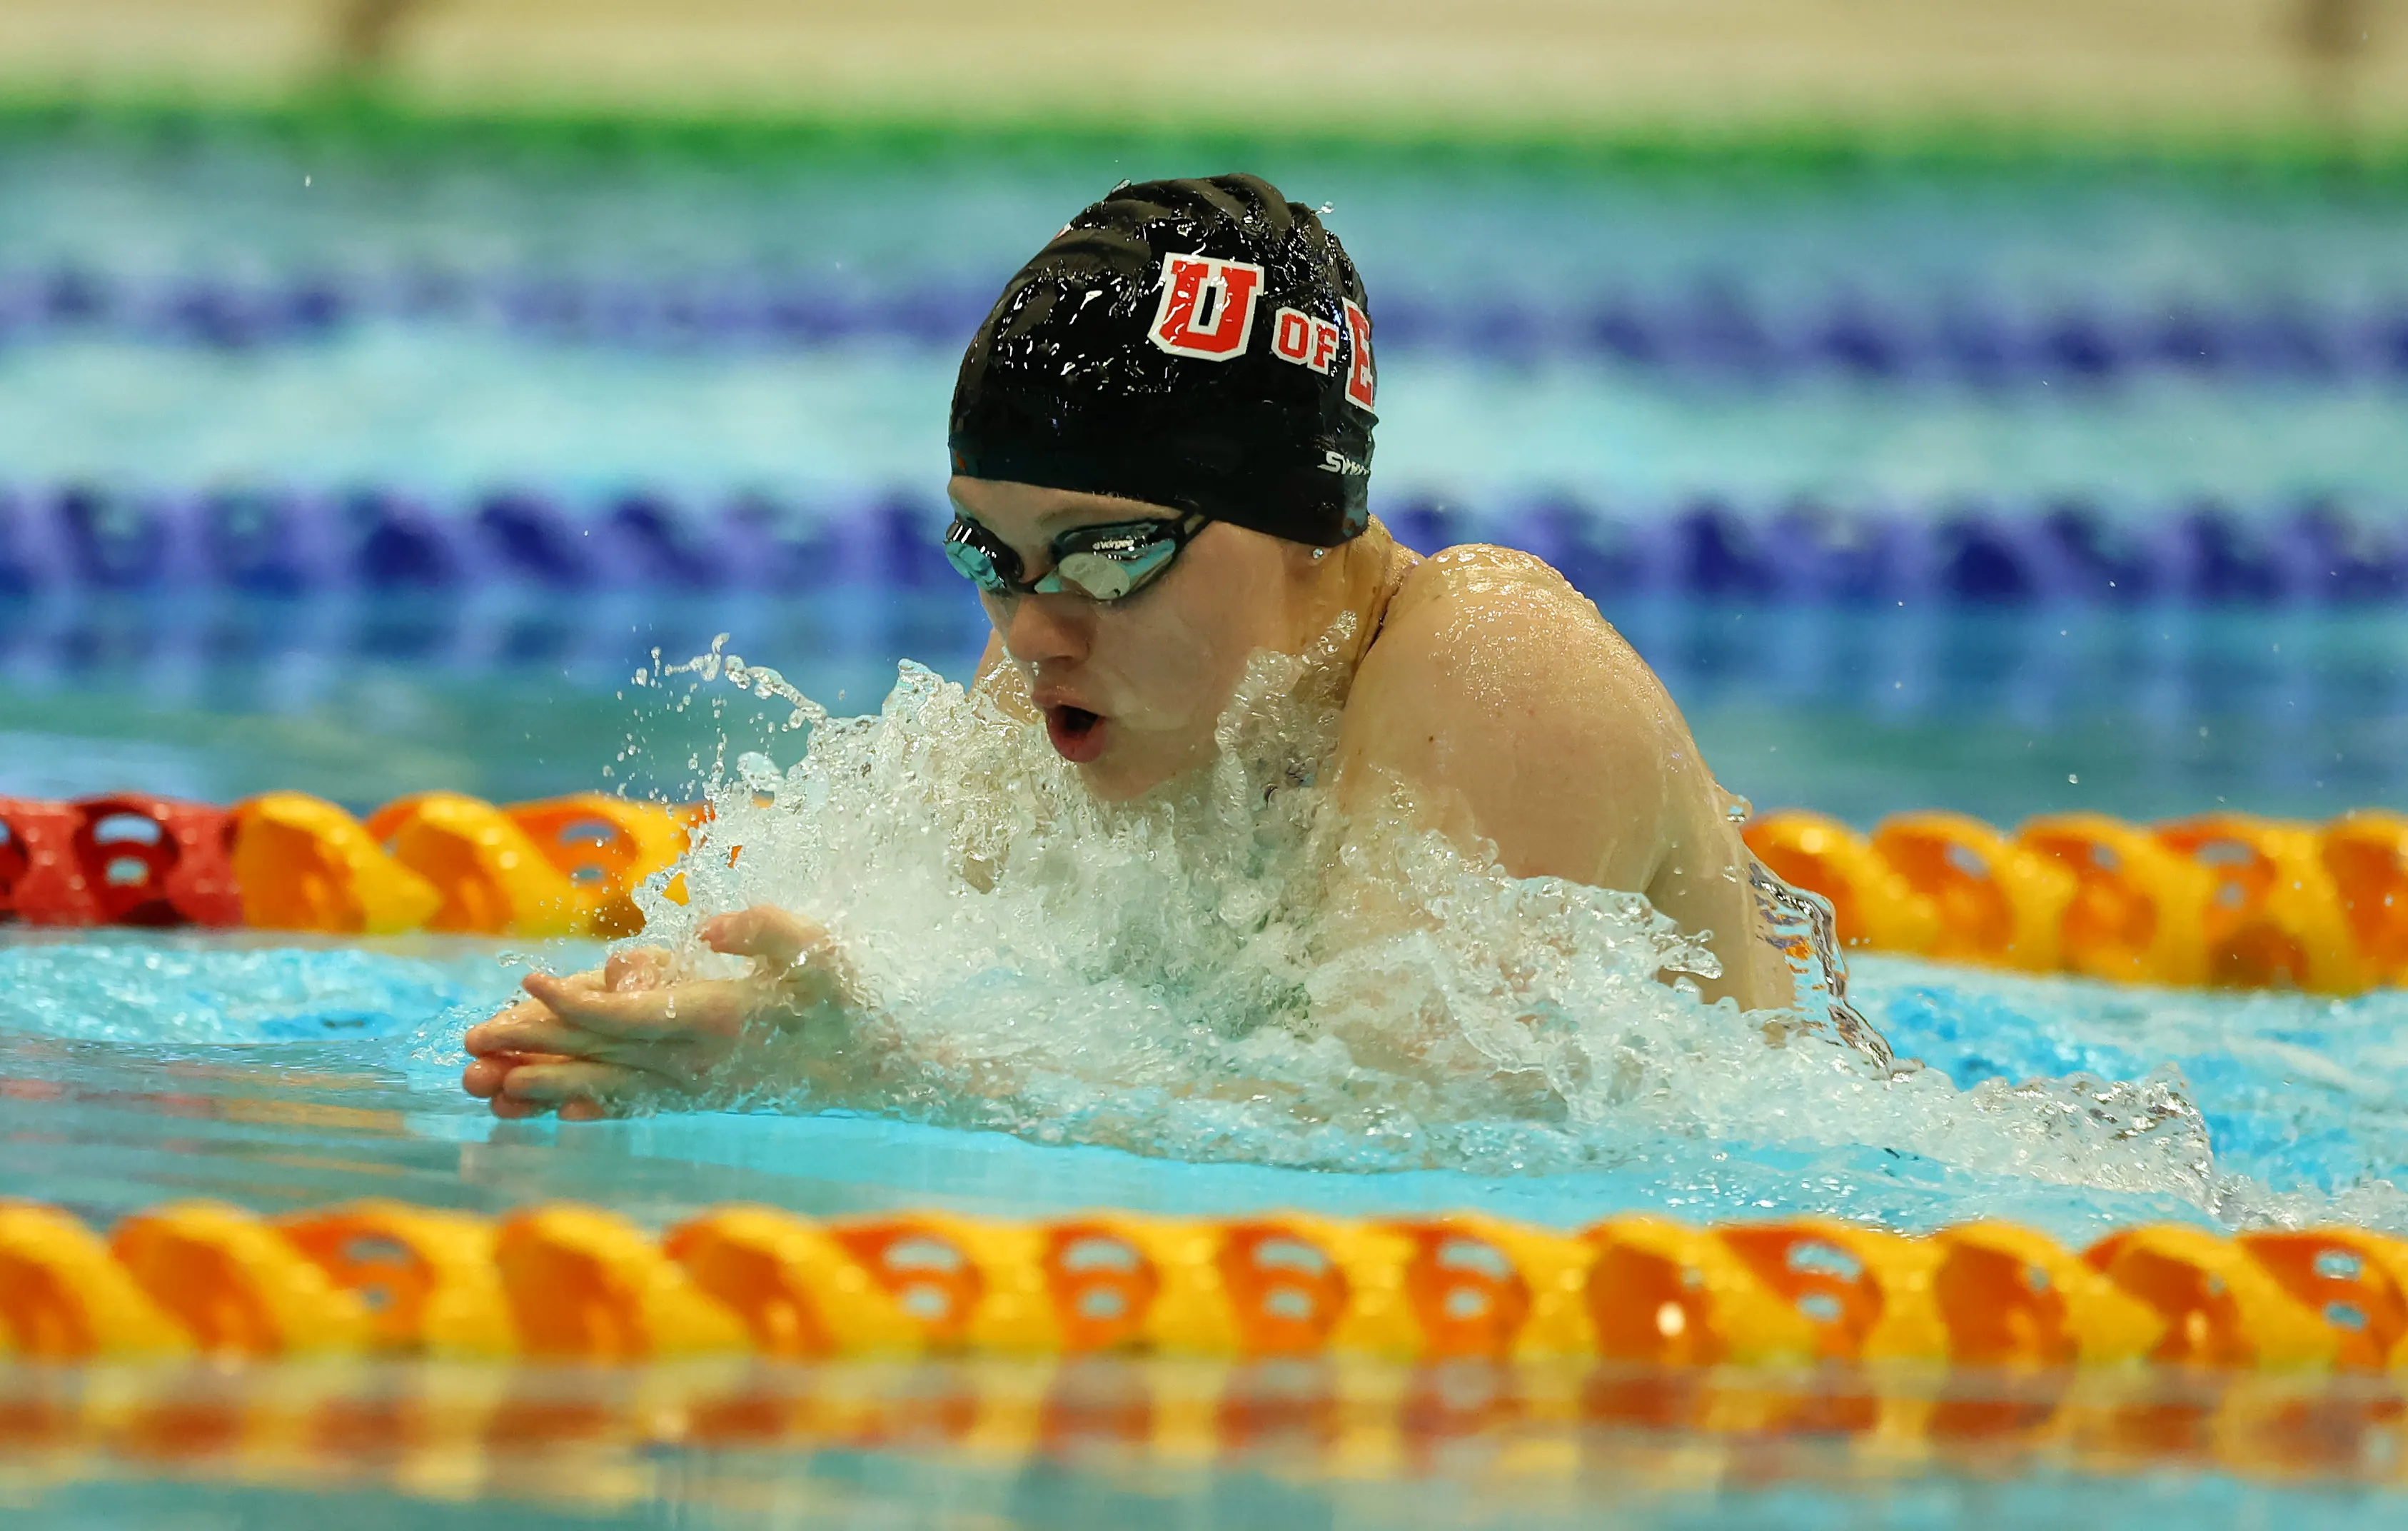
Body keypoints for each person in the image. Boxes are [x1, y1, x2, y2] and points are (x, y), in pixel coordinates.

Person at [462, 174, 1795, 1122]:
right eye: (991, 555)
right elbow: (891, 978)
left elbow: (1406, 1133)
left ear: (1304, 525)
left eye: (1111, 553)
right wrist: (681, 1008)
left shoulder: (1495, 671)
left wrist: (877, 1079)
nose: (1034, 631)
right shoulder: (1075, 678)